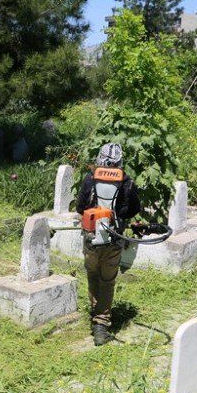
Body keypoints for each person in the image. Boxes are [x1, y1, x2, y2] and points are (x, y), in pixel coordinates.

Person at [76, 143, 141, 346]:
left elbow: (80, 207)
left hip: (91, 239)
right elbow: (133, 209)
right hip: (113, 240)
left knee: (93, 275)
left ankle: (95, 313)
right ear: (120, 160)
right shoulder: (127, 181)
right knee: (107, 280)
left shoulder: (90, 179)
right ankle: (101, 325)